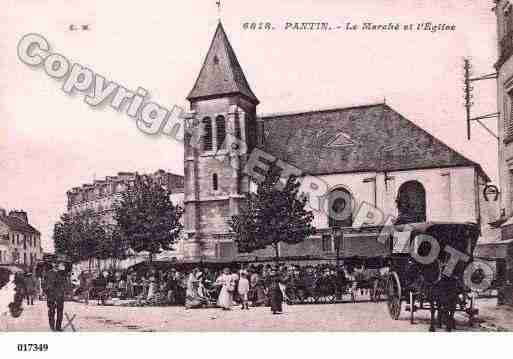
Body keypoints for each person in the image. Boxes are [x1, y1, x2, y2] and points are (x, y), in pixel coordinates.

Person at [43, 263, 68, 331]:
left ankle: (57, 326)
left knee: (58, 311)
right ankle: (53, 326)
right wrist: (47, 292)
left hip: (59, 296)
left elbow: (65, 284)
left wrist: (65, 291)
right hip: (52, 296)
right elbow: (45, 285)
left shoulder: (62, 274)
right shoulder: (49, 274)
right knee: (52, 311)